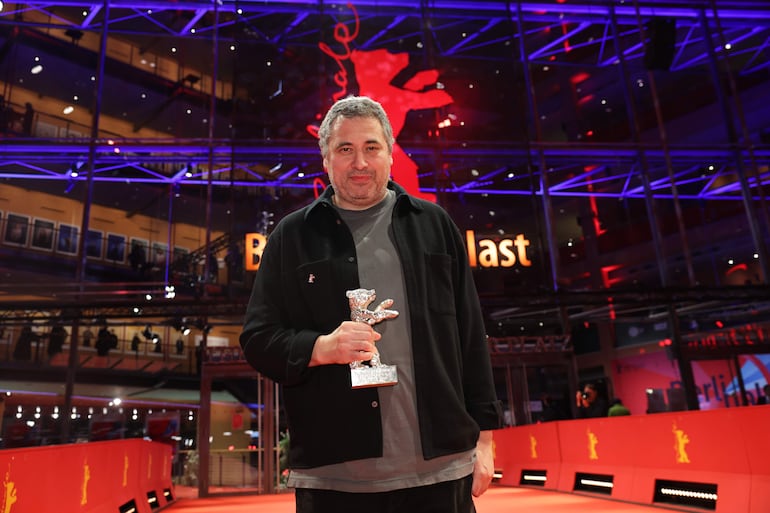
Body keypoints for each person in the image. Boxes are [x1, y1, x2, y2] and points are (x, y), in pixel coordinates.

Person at [239, 95, 503, 513]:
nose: (359, 161)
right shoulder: (291, 237)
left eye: (371, 147)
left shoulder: (436, 226)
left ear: (391, 154)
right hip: (335, 478)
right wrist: (321, 348)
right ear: (325, 159)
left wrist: (485, 441)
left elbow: (470, 336)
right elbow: (257, 339)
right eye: (345, 149)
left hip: (441, 468)